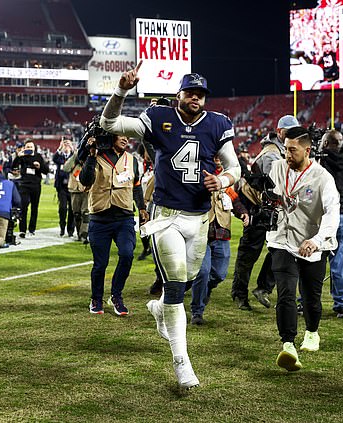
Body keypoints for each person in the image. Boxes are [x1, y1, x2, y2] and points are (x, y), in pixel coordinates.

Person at [101, 63, 241, 390]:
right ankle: (182, 361)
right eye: (190, 92)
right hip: (166, 216)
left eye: (201, 94)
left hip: (199, 217)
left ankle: (157, 308)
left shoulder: (218, 124)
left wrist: (222, 179)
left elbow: (234, 167)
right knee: (176, 283)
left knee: (188, 280)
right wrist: (121, 90)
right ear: (179, 94)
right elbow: (110, 124)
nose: (195, 98)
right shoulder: (159, 118)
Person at [267, 126, 339, 371]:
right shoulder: (277, 168)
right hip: (281, 240)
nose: (287, 154)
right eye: (285, 149)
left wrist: (316, 241)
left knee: (310, 296)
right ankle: (288, 344)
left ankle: (312, 331)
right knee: (285, 293)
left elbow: (333, 215)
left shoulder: (322, 178)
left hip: (311, 244)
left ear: (308, 150)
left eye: (293, 150)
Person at [232, 114, 300, 310]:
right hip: (257, 207)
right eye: (289, 132)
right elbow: (276, 183)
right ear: (279, 132)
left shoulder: (281, 150)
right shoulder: (271, 154)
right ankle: (240, 294)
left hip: (271, 207)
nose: (292, 136)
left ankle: (262, 288)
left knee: (280, 249)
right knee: (250, 252)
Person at [78, 128, 147, 317]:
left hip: (124, 217)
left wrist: (141, 208)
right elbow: (85, 180)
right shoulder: (97, 155)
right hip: (100, 217)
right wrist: (91, 155)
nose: (125, 139)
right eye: (121, 135)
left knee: (127, 255)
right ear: (111, 137)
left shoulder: (132, 160)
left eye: (127, 136)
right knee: (100, 263)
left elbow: (136, 186)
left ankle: (116, 295)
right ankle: (96, 298)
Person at [190, 157, 249, 325]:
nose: (217, 160)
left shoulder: (226, 178)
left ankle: (204, 290)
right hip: (201, 232)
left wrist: (243, 212)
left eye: (219, 157)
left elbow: (234, 200)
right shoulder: (197, 175)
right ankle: (197, 311)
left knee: (219, 274)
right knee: (203, 272)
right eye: (214, 157)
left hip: (221, 232)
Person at [317, 130, 343, 318]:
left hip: (323, 216)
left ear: (324, 143)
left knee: (313, 260)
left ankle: (305, 302)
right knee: (341, 262)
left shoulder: (320, 163)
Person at [11, 140, 49, 238]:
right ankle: (22, 230)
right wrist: (18, 156)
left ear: (34, 148)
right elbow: (13, 167)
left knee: (34, 208)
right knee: (23, 208)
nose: (29, 149)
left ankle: (32, 230)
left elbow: (46, 171)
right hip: (24, 184)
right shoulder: (22, 156)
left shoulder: (38, 157)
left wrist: (39, 166)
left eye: (31, 147)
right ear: (25, 148)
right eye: (27, 147)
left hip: (36, 185)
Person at [63, 146, 90, 243]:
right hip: (74, 189)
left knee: (86, 213)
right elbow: (65, 168)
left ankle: (84, 235)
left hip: (87, 190)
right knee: (76, 213)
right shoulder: (74, 160)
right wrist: (75, 155)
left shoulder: (90, 159)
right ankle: (79, 233)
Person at [53, 139, 75, 237]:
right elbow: (54, 158)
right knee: (62, 208)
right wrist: (60, 148)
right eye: (65, 144)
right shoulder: (60, 157)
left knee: (72, 209)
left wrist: (73, 149)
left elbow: (79, 158)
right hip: (61, 186)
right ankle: (62, 228)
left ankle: (70, 230)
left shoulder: (74, 157)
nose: (66, 146)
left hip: (72, 186)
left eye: (68, 144)